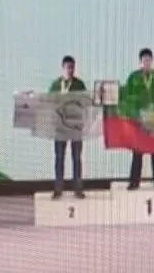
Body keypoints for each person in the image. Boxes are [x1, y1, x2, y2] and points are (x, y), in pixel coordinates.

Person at [125, 48, 154, 190]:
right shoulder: (133, 77)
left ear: (152, 61)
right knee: (137, 151)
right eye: (144, 60)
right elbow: (127, 95)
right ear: (140, 61)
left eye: (149, 60)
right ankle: (134, 182)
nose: (147, 63)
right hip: (140, 118)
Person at [49, 55, 87, 199]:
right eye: (67, 68)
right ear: (63, 68)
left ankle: (78, 188)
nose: (70, 70)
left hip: (75, 125)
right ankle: (58, 188)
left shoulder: (79, 84)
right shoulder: (56, 84)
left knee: (76, 157)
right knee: (59, 157)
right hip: (60, 126)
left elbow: (85, 103)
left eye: (72, 68)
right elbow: (49, 102)